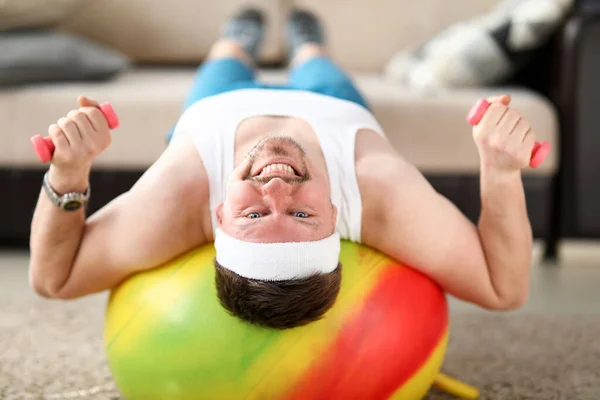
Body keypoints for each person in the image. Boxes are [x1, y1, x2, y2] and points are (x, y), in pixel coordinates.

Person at [29, 8, 536, 329]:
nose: (276, 190)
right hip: (335, 105)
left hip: (220, 102)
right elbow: (504, 289)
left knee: (224, 57)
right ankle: (307, 44)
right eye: (301, 218)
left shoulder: (179, 201)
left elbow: (53, 280)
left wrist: (69, 174)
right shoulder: (379, 196)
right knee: (317, 60)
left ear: (220, 217)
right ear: (335, 216)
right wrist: (501, 170)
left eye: (253, 218)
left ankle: (239, 40)